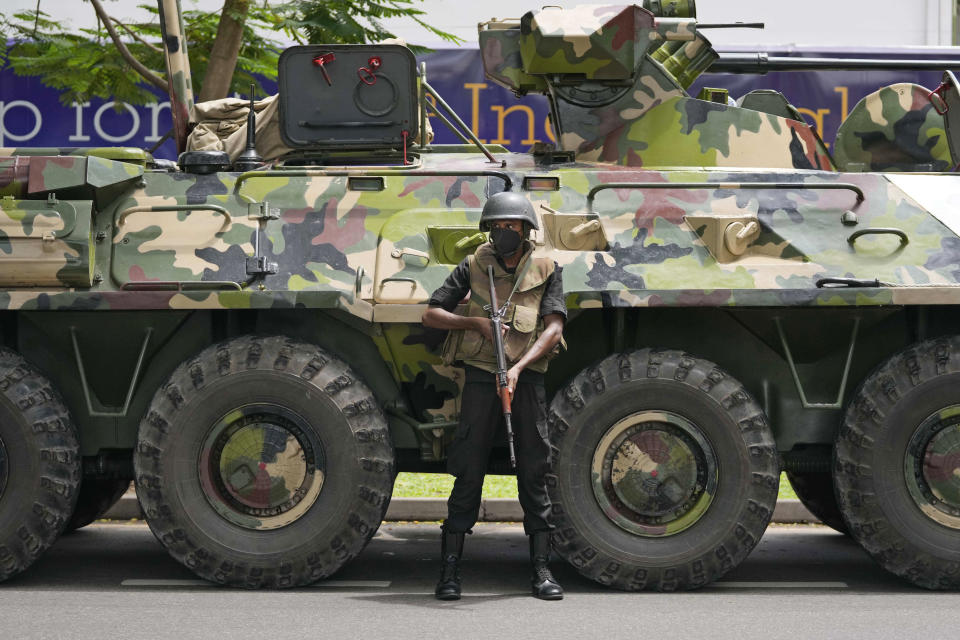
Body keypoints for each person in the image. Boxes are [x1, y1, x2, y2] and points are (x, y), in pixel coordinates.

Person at [422, 191, 566, 601]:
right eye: (498, 227)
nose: (504, 232)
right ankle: (449, 573)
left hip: (527, 379)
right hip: (483, 379)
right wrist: (476, 326)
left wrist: (519, 369)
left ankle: (541, 572)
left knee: (534, 470)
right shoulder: (473, 264)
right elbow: (431, 313)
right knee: (468, 467)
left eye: (512, 226)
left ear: (526, 230)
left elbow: (554, 327)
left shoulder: (547, 268)